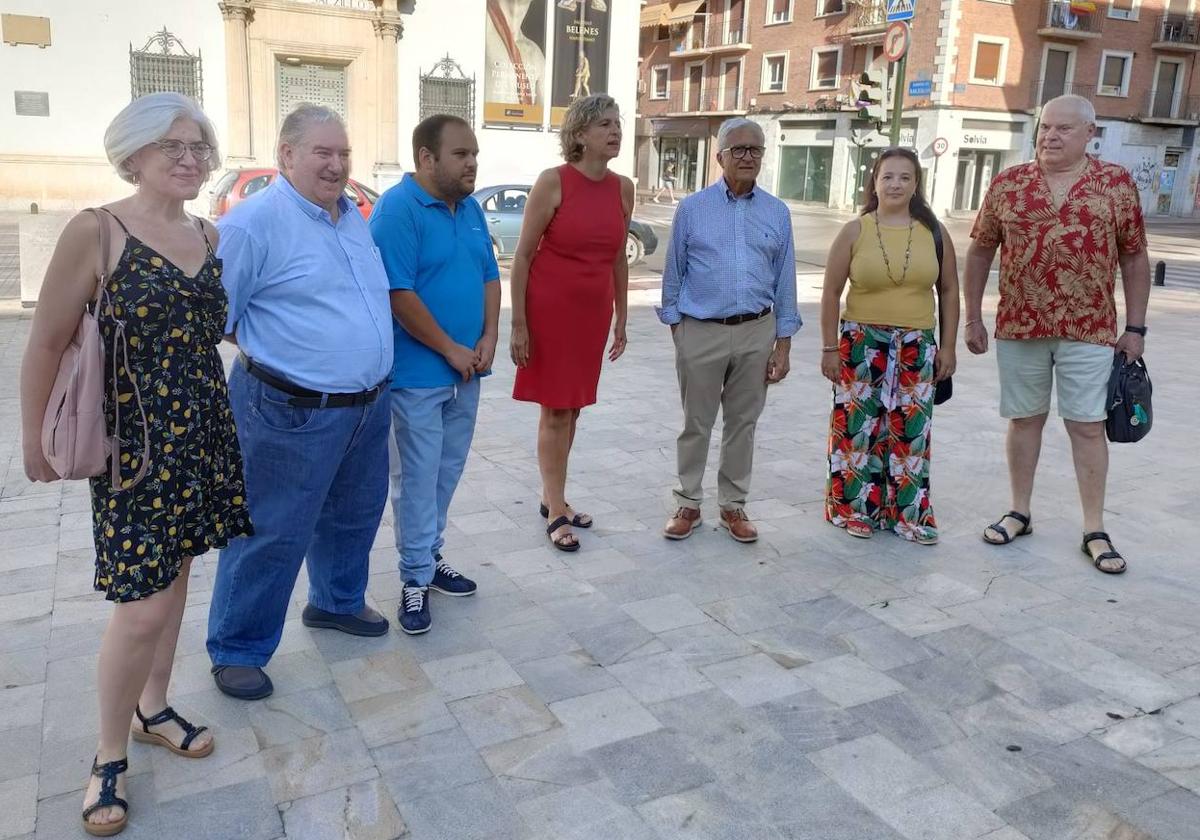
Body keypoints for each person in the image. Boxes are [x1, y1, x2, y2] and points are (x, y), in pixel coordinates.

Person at [19, 92, 251, 836]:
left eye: (199, 147)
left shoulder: (211, 237)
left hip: (204, 434)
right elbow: (47, 343)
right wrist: (32, 440)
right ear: (134, 154)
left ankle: (154, 707)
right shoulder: (97, 231)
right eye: (172, 146)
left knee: (180, 575)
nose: (190, 158)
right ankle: (108, 752)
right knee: (142, 604)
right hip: (135, 449)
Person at [207, 104, 394, 700]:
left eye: (343, 153)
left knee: (354, 514)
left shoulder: (351, 219)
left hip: (365, 406)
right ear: (285, 155)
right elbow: (219, 317)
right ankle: (237, 648)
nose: (337, 165)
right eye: (323, 153)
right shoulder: (252, 223)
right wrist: (289, 351)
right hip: (289, 409)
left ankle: (336, 602)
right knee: (271, 528)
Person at [964, 94, 1150, 574]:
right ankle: (1019, 511)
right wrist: (972, 316)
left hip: (1090, 328)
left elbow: (1133, 257)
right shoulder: (1009, 184)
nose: (1050, 136)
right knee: (1024, 419)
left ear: (1091, 133)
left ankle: (1094, 528)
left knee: (1087, 426)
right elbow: (981, 251)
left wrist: (1135, 328)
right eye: (1045, 127)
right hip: (1021, 325)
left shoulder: (1116, 184)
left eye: (1064, 129)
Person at [369, 115, 499, 635]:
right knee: (417, 480)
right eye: (461, 154)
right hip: (418, 375)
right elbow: (398, 293)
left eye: (474, 154)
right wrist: (449, 348)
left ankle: (430, 555)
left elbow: (490, 275)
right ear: (427, 158)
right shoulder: (397, 211)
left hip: (467, 372)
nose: (472, 163)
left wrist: (488, 339)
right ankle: (414, 578)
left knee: (446, 473)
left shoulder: (469, 210)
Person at [659, 117, 799, 543]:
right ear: (719, 156)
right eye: (738, 149)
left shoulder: (777, 212)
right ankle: (688, 502)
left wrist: (783, 345)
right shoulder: (693, 208)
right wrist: (679, 332)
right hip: (701, 329)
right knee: (695, 422)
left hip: (757, 330)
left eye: (755, 150)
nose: (747, 157)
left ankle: (733, 506)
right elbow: (673, 273)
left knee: (743, 423)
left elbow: (785, 281)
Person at [510, 93, 634, 551]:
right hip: (550, 310)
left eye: (617, 122)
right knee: (555, 408)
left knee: (574, 406)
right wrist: (518, 323)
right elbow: (522, 256)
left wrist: (622, 316)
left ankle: (553, 496)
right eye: (604, 124)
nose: (615, 130)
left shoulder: (623, 187)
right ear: (579, 135)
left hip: (592, 313)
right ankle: (556, 509)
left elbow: (618, 255)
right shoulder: (553, 181)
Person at [819, 147, 960, 545]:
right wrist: (830, 348)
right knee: (857, 431)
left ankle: (909, 515)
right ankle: (852, 508)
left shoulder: (934, 232)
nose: (896, 184)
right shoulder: (855, 230)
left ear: (916, 185)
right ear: (875, 183)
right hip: (861, 344)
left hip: (917, 345)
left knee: (911, 434)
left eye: (905, 177)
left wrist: (947, 348)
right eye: (888, 177)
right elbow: (830, 293)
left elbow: (949, 291)